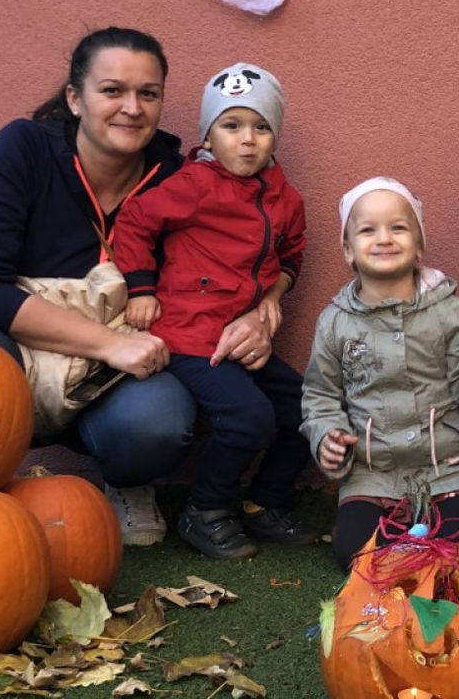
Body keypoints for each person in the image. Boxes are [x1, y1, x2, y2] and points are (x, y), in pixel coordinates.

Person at [0, 27, 196, 545]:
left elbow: (239, 251)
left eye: (148, 94)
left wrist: (271, 297)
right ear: (75, 99)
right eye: (112, 91)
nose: (131, 107)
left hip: (111, 374)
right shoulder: (24, 148)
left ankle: (128, 482)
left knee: (161, 421)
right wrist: (110, 343)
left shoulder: (177, 176)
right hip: (20, 342)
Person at [113, 62, 317, 560]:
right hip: (188, 335)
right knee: (249, 418)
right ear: (207, 133)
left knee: (307, 410)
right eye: (232, 126)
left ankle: (264, 504)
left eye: (261, 127)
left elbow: (292, 255)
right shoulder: (192, 185)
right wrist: (140, 288)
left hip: (243, 337)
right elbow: (134, 221)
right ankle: (205, 510)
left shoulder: (285, 199)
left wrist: (272, 296)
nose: (247, 140)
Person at [302, 177, 459, 569]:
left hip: (450, 465)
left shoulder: (448, 310)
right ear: (348, 249)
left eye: (398, 227)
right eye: (367, 230)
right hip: (373, 471)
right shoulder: (334, 323)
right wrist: (325, 435)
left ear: (419, 245)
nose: (384, 238)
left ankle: (429, 540)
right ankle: (403, 544)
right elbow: (320, 396)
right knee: (354, 551)